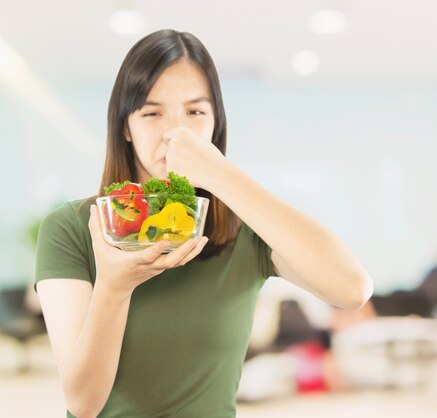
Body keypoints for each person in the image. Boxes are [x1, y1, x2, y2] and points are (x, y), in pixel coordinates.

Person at [34, 29, 373, 418]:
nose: (175, 132)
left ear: (216, 124)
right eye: (151, 112)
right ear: (125, 127)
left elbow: (352, 289)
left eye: (195, 112)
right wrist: (114, 286)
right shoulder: (75, 227)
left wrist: (222, 177)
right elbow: (83, 402)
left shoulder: (245, 230)